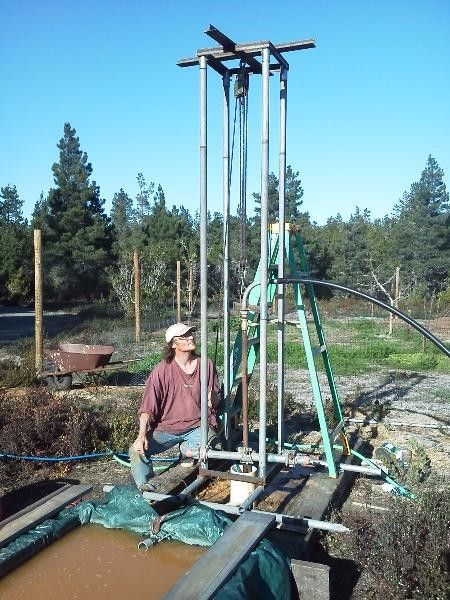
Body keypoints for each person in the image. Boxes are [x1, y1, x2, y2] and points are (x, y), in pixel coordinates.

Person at [129, 322, 221, 491]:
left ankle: (187, 449)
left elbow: (214, 404)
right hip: (166, 429)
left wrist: (213, 398)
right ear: (172, 344)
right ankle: (146, 489)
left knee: (215, 449)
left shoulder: (206, 364)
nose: (191, 337)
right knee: (136, 451)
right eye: (184, 336)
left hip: (197, 426)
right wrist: (141, 435)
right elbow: (147, 408)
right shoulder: (161, 371)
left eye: (191, 334)